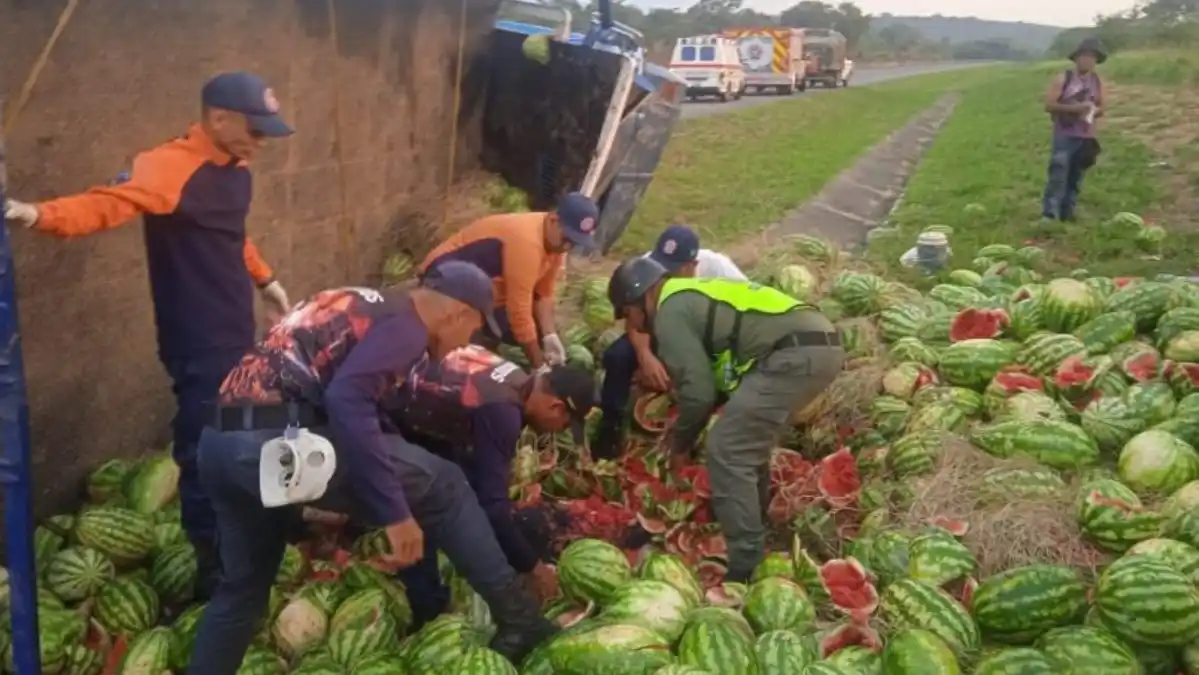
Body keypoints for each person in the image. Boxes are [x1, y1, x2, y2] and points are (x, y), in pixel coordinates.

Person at [2, 71, 294, 599]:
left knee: (250, 435)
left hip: (236, 331)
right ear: (219, 117)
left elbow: (230, 234)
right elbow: (106, 203)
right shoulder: (167, 166)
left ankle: (259, 536)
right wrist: (38, 214)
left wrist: (265, 279)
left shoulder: (236, 165)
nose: (262, 140)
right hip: (197, 339)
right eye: (256, 129)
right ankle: (215, 577)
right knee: (206, 453)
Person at [186, 262, 556, 674]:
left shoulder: (365, 303)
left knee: (243, 592)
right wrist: (396, 514)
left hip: (221, 445)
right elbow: (349, 400)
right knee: (446, 486)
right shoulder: (408, 326)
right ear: (458, 314)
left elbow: (356, 407)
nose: (463, 344)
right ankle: (523, 620)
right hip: (277, 445)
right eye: (472, 331)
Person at [606, 257, 844, 582]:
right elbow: (715, 379)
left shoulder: (668, 314)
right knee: (745, 443)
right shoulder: (686, 294)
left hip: (794, 353)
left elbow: (699, 392)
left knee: (728, 449)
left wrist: (680, 443)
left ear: (640, 297)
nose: (630, 324)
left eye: (627, 314)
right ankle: (755, 523)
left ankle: (744, 566)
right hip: (814, 344)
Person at [382, 346, 596, 627]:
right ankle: (428, 612)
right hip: (387, 422)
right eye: (564, 423)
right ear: (556, 406)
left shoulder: (514, 378)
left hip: (411, 411)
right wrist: (532, 567)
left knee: (452, 487)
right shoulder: (504, 413)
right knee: (429, 503)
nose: (559, 431)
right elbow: (492, 507)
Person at [592, 225, 747, 459]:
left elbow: (741, 321)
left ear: (692, 266)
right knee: (618, 356)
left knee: (717, 385)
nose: (662, 279)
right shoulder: (646, 268)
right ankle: (611, 428)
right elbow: (635, 322)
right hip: (658, 328)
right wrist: (646, 357)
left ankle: (698, 434)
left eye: (672, 271)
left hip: (711, 339)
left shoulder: (720, 270)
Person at [419, 192, 600, 371]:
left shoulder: (554, 246)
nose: (567, 247)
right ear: (553, 220)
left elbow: (543, 294)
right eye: (566, 239)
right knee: (461, 357)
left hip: (486, 290)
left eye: (574, 243)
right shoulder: (527, 244)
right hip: (445, 280)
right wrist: (539, 366)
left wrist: (549, 335)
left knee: (534, 330)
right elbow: (518, 311)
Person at [1041, 37, 1107, 222]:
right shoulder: (1064, 79)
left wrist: (1092, 111)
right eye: (1084, 56)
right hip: (1064, 134)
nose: (1087, 60)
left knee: (1075, 178)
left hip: (1086, 136)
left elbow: (1102, 108)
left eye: (1091, 57)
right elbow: (1049, 105)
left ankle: (1068, 213)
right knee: (1057, 176)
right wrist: (1076, 109)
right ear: (1076, 58)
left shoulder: (1097, 81)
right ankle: (1049, 215)